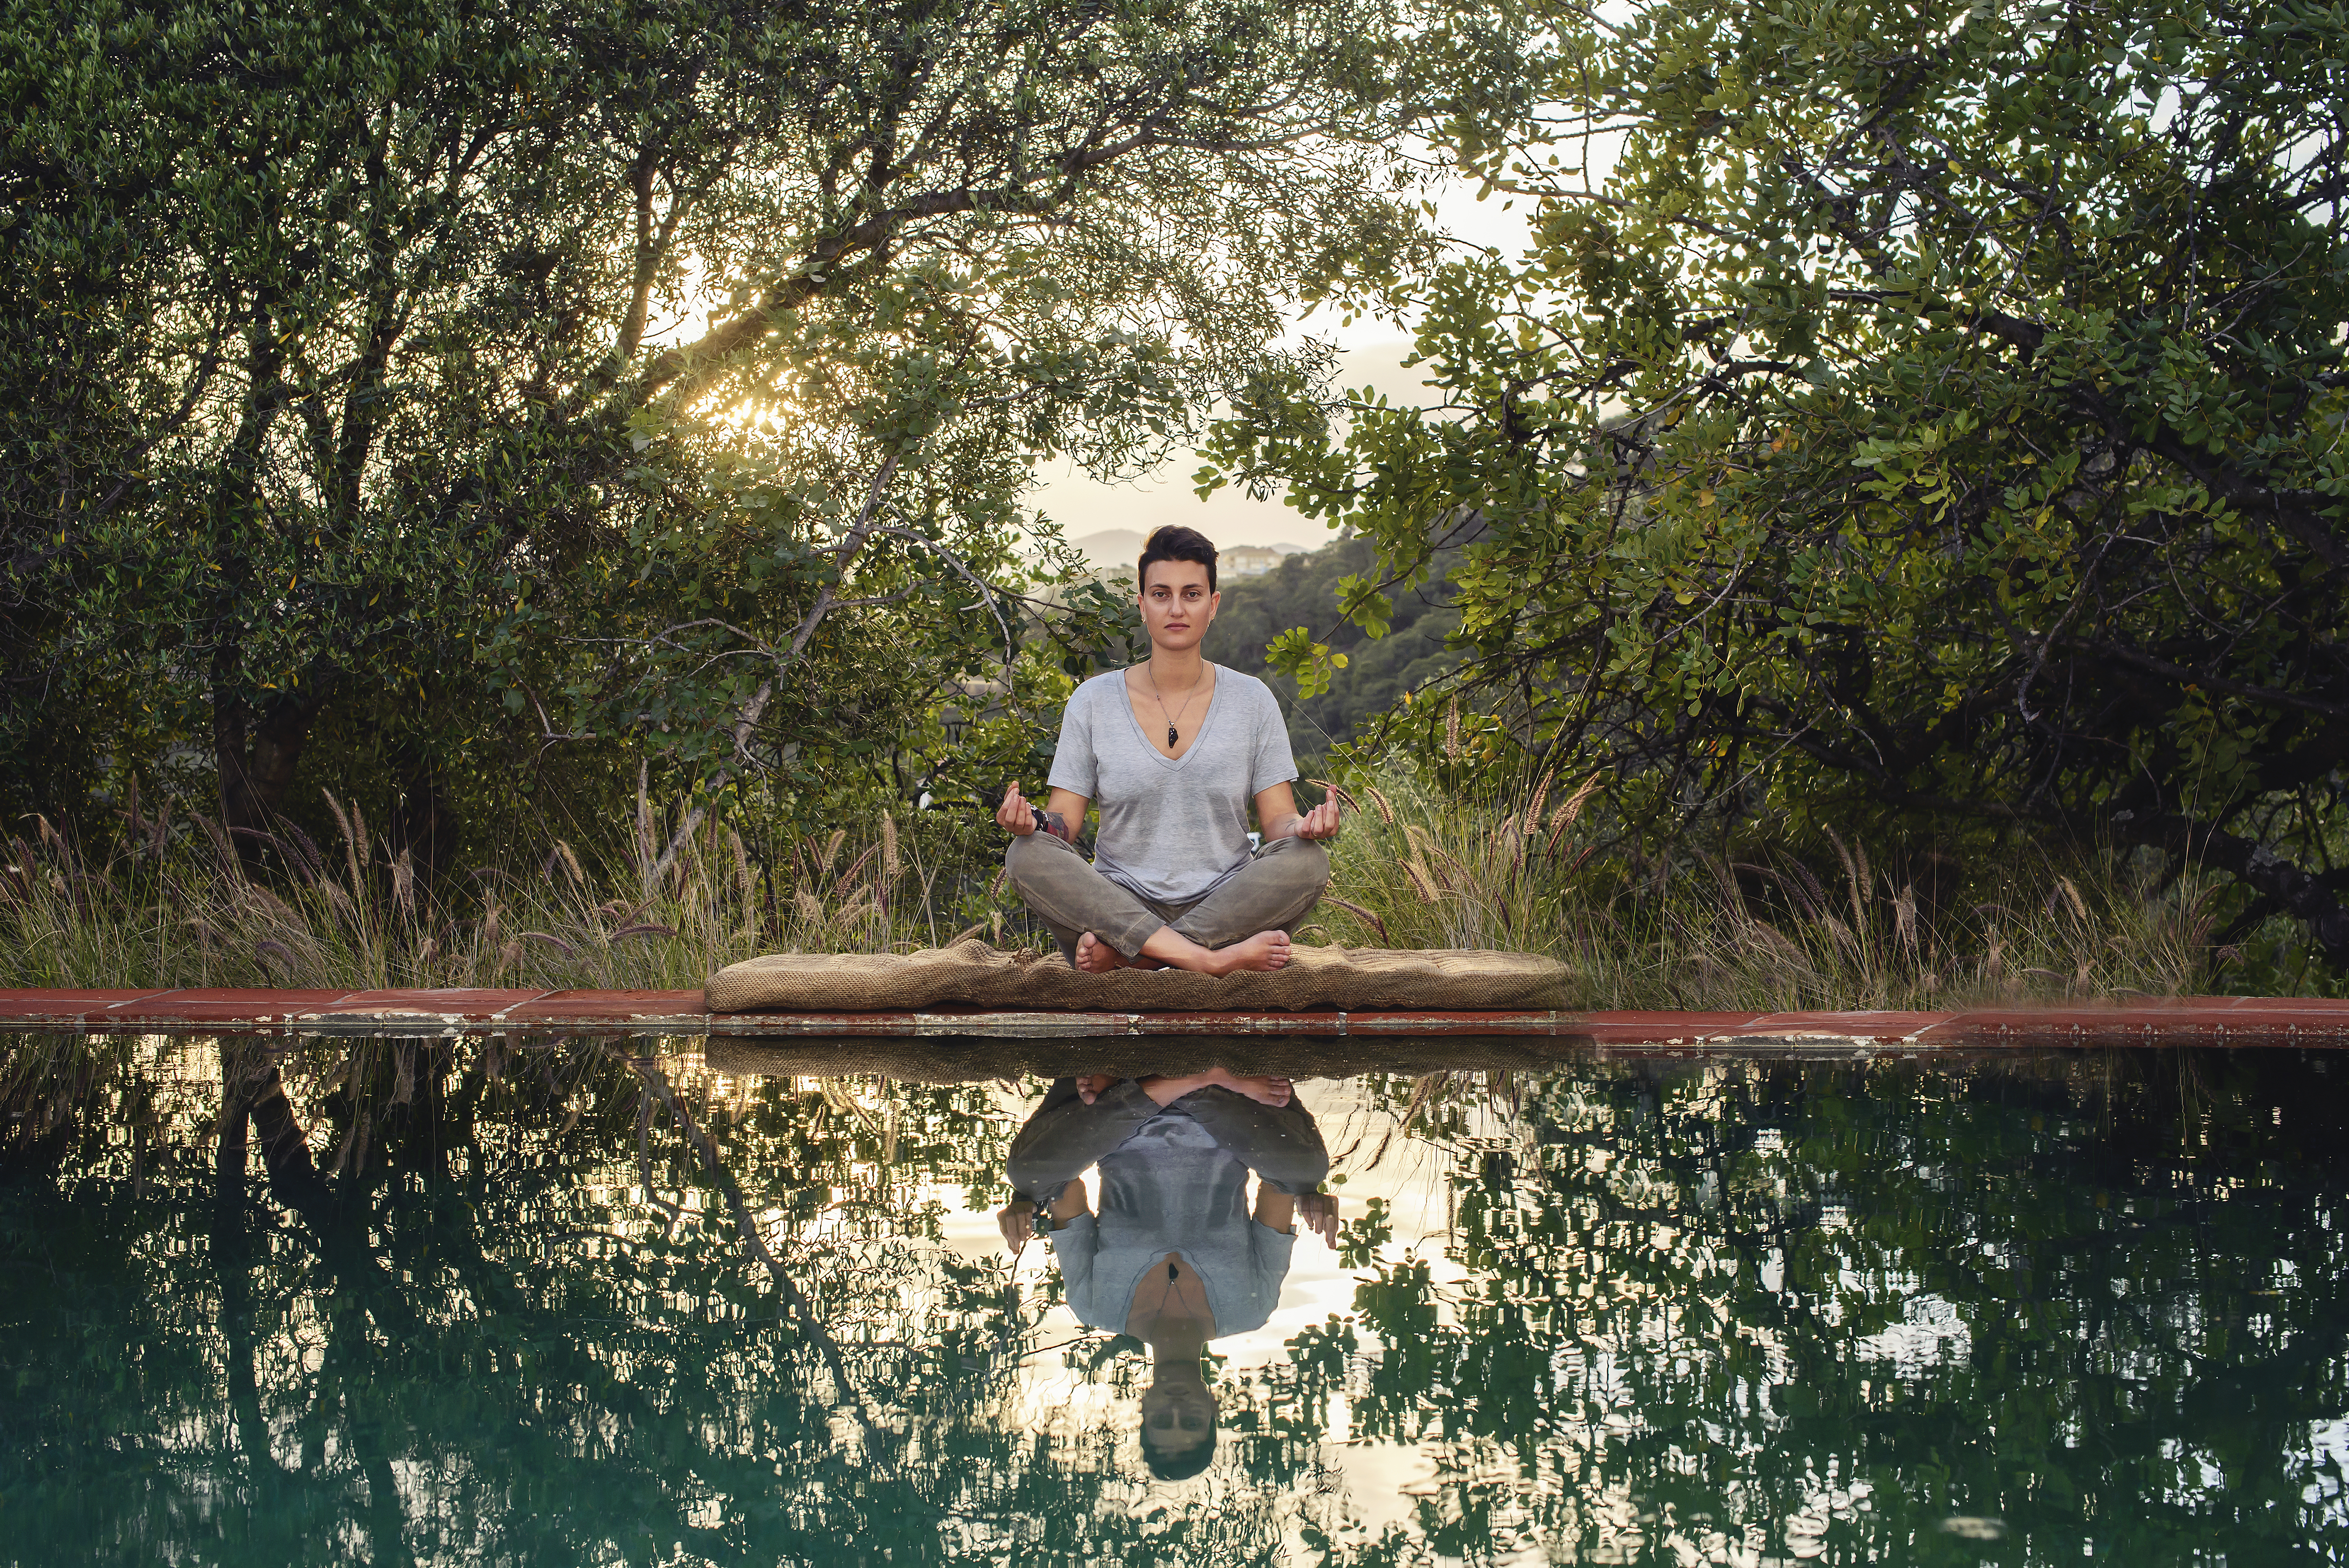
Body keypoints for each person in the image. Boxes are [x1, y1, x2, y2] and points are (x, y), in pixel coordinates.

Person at [996, 525, 1340, 975]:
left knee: (1307, 862)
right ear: (1142, 605)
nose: (1176, 609)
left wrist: (1306, 827)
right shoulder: (1094, 701)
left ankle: (1131, 958)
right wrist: (1033, 822)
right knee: (1026, 854)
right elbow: (1065, 822)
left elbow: (1278, 821)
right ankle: (1208, 962)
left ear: (1213, 605)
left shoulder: (1252, 700)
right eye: (1161, 594)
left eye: (1192, 594)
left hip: (1226, 903)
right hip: (1118, 902)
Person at [997, 1068, 1340, 1481]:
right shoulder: (1251, 1307)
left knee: (1028, 1175)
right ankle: (1196, 1080)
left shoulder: (1093, 1305)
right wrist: (1312, 1202)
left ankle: (1155, 1086)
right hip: (1225, 1118)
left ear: (1144, 1411)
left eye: (1163, 1423)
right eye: (1192, 1423)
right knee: (1306, 1170)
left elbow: (1066, 1191)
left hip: (1120, 1127)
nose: (1177, 1411)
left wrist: (1028, 1205)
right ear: (1213, 1411)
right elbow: (1279, 1190)